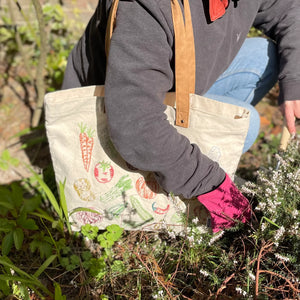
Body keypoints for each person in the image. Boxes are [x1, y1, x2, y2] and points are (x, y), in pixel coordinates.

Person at [62, 0, 300, 232]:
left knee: (263, 56)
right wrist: (211, 184)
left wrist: (295, 80)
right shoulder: (145, 6)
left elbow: (289, 9)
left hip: (168, 87)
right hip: (119, 114)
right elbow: (135, 125)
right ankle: (184, 185)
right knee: (248, 124)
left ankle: (191, 162)